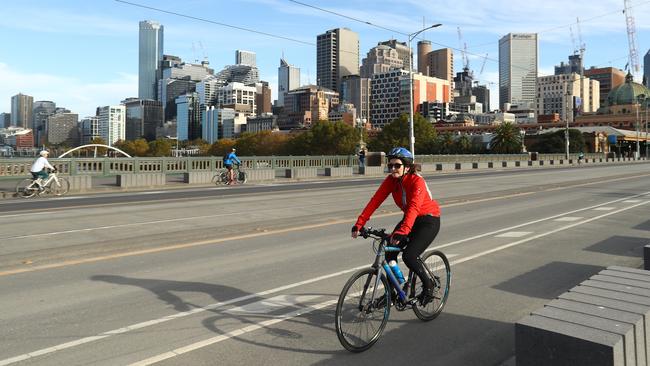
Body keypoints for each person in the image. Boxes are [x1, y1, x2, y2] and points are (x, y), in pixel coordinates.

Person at [351, 147, 441, 305]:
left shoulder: (416, 181)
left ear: (407, 167)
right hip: (410, 219)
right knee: (389, 253)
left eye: (397, 166)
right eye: (390, 165)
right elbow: (375, 201)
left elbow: (414, 207)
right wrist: (360, 224)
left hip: (428, 220)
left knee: (409, 256)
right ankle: (395, 291)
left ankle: (429, 286)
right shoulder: (391, 181)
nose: (392, 169)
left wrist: (403, 231)